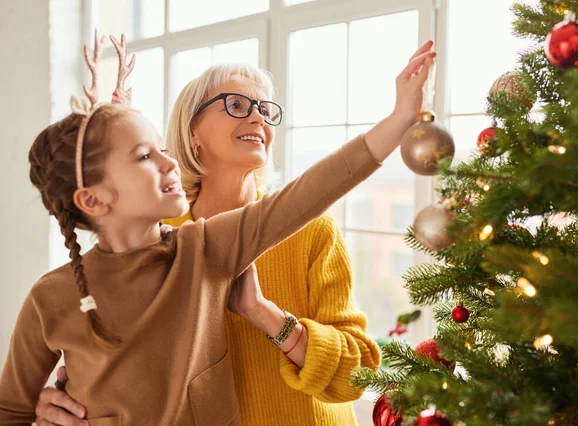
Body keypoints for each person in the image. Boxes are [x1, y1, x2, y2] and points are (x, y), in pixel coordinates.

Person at [0, 28, 435, 426]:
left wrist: (267, 316)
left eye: (266, 110)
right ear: (192, 134)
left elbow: (357, 375)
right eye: (237, 105)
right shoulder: (156, 237)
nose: (258, 119)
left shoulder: (294, 233)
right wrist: (57, 401)